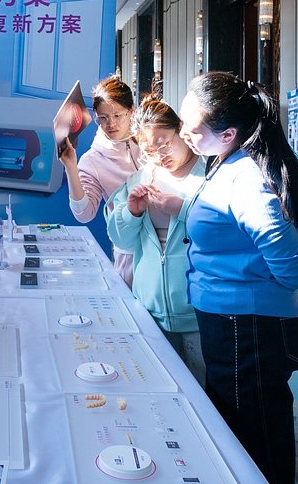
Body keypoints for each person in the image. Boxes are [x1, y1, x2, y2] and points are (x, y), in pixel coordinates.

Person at [178, 72, 298, 484]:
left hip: (247, 328)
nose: (183, 133)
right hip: (236, 322)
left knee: (256, 435)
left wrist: (294, 295)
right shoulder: (227, 162)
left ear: (228, 133)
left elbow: (291, 261)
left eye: (191, 128)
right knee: (242, 426)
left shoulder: (246, 177)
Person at [107, 96, 208, 383]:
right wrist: (132, 212)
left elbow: (227, 230)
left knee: (206, 389)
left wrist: (183, 209)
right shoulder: (140, 179)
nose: (159, 155)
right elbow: (121, 240)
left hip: (199, 312)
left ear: (180, 130)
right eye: (149, 151)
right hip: (151, 310)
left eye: (164, 144)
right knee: (160, 384)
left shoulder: (210, 175)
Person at [60, 75, 141, 287]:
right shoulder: (93, 160)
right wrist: (71, 167)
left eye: (118, 115)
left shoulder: (151, 140)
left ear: (131, 111)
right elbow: (84, 214)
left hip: (169, 249)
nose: (111, 124)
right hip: (130, 256)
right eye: (103, 118)